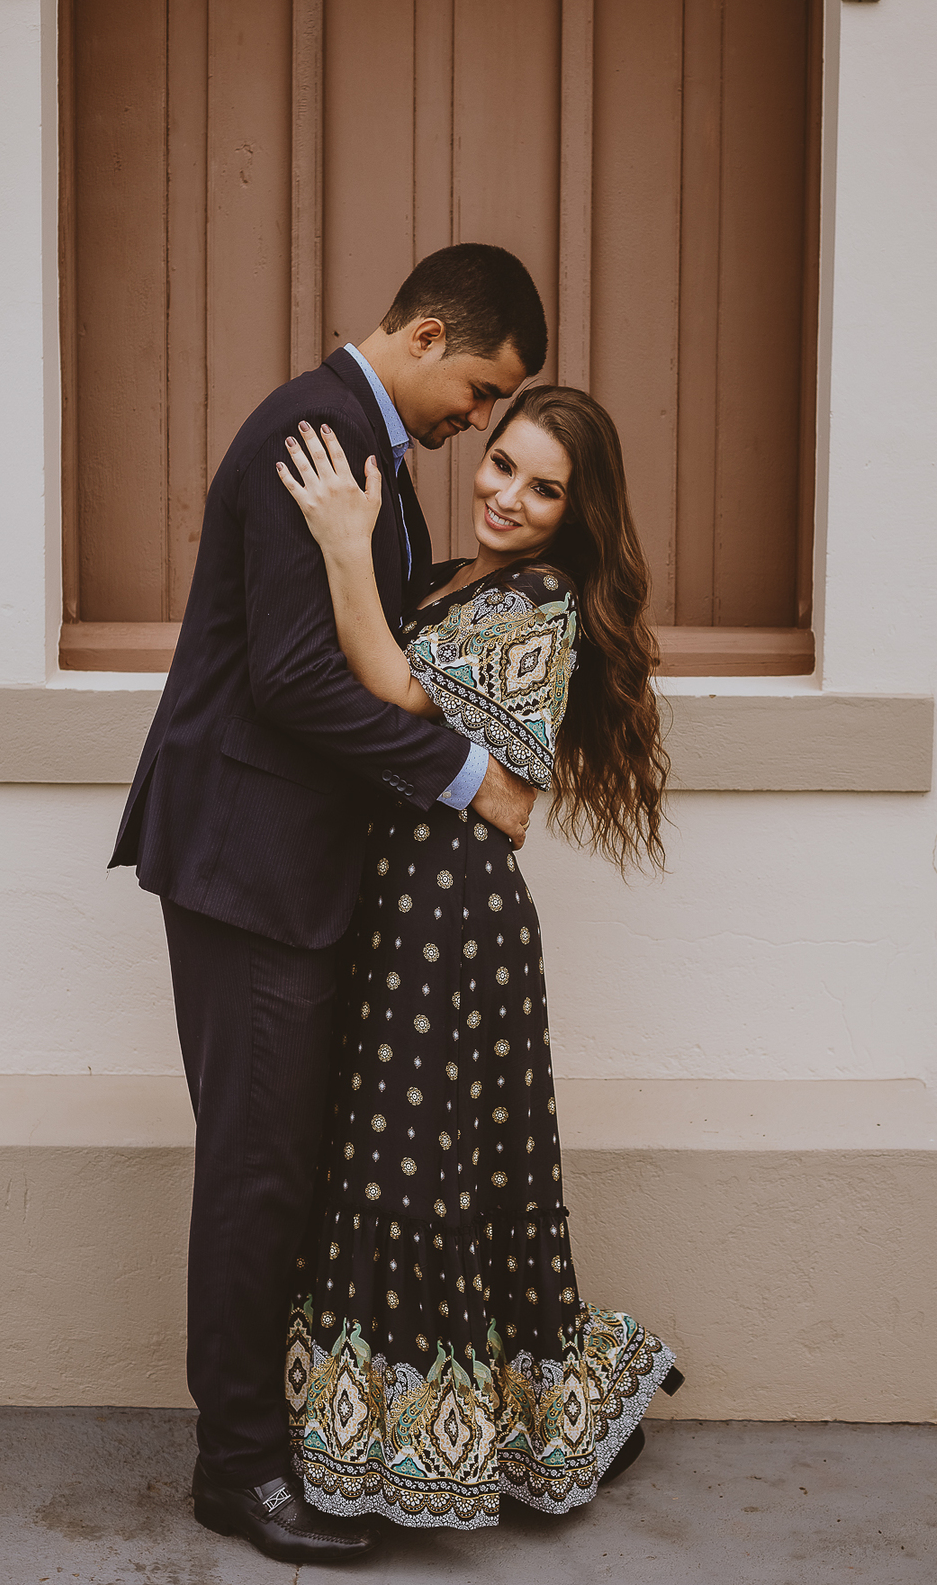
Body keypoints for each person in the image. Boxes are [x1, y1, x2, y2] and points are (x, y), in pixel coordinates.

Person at [110, 245, 550, 1565]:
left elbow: (377, 650)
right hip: (250, 871)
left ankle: (276, 1440)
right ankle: (238, 1470)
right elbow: (298, 680)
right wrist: (470, 775)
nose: (481, 419)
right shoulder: (317, 433)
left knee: (282, 1166)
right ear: (427, 336)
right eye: (481, 390)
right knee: (257, 1176)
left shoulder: (370, 449)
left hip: (288, 870)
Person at [274, 385, 683, 1532]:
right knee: (420, 1167)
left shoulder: (539, 599)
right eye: (503, 464)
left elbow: (396, 691)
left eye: (543, 488)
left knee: (421, 1173)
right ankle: (446, 1431)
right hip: (399, 904)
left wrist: (345, 541)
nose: (507, 495)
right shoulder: (455, 578)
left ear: (574, 511)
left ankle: (466, 1442)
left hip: (451, 923)